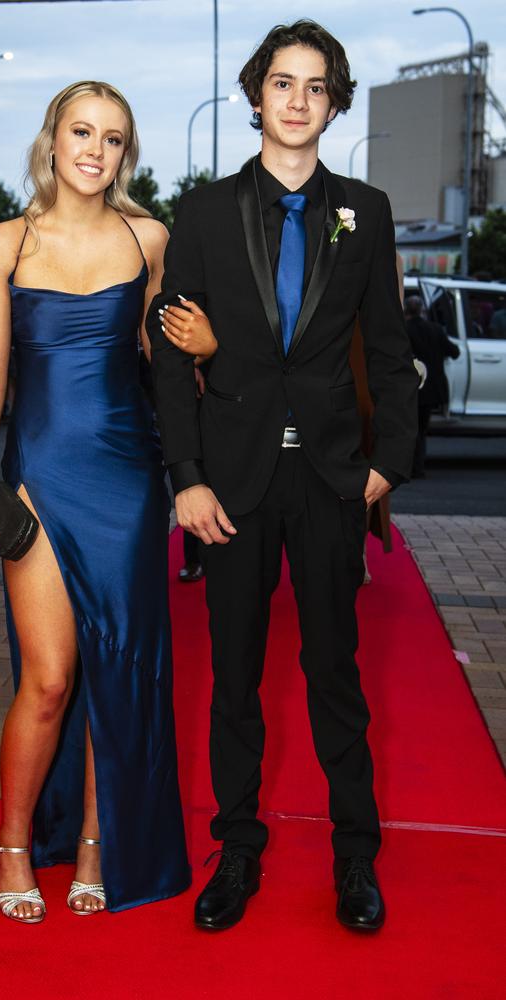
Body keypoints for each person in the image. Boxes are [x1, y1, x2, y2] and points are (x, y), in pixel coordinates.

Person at [148, 20, 418, 932]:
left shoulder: (367, 211)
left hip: (334, 480)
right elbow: (165, 348)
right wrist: (184, 473)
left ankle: (355, 861)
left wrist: (390, 461)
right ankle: (238, 852)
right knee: (234, 678)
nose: (298, 101)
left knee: (335, 673)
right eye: (282, 83)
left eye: (316, 87)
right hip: (231, 481)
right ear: (255, 93)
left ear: (333, 103)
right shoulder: (205, 212)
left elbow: (388, 348)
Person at [0, 81, 190, 923]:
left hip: (128, 480)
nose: (96, 150)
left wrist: (206, 354)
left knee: (117, 672)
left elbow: (164, 362)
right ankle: (14, 844)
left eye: (115, 138)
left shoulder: (149, 238)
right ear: (53, 139)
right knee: (51, 679)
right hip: (39, 480)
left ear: (127, 154)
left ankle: (98, 844)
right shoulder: (4, 244)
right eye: (82, 131)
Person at [404, 294, 460, 477]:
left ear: (406, 310)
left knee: (408, 427)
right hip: (431, 388)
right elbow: (454, 352)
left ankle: (409, 465)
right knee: (422, 427)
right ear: (422, 310)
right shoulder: (435, 329)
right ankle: (418, 466)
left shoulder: (403, 329)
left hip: (409, 387)